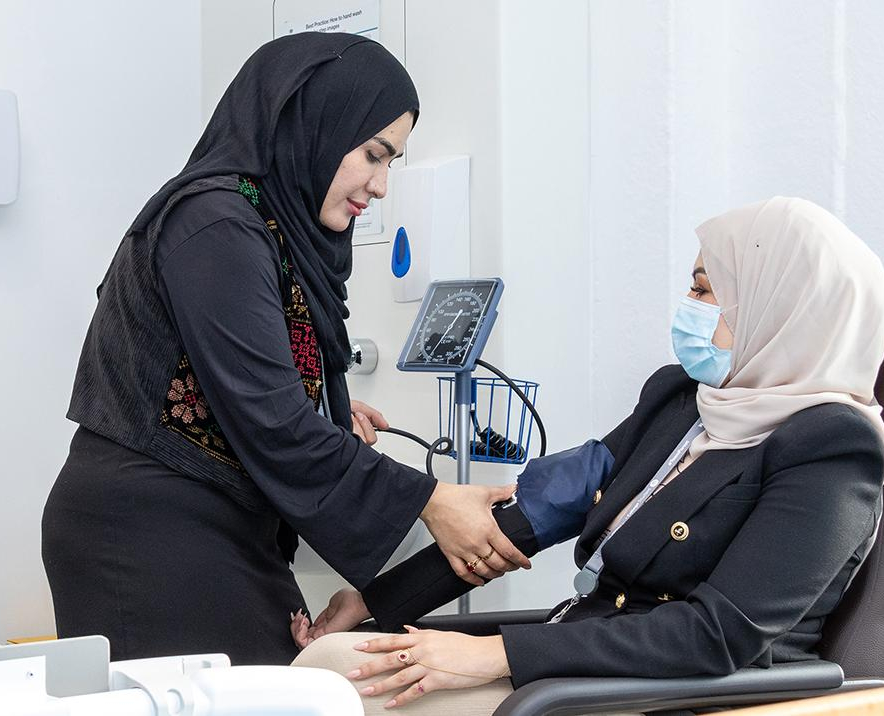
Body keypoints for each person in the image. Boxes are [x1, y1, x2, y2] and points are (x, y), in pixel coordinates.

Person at [293, 196, 884, 713]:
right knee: (328, 664)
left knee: (334, 694)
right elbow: (535, 514)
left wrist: (491, 655)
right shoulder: (684, 400)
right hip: (585, 668)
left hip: (689, 695)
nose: (688, 305)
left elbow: (715, 637)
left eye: (705, 290)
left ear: (777, 309)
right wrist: (372, 604)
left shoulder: (832, 448)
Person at [42, 32, 527, 666]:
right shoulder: (216, 225)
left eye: (392, 164)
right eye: (374, 156)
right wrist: (431, 501)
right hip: (148, 533)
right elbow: (269, 420)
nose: (381, 187)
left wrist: (327, 411)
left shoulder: (273, 231)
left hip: (219, 524)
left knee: (291, 680)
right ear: (314, 126)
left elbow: (250, 386)